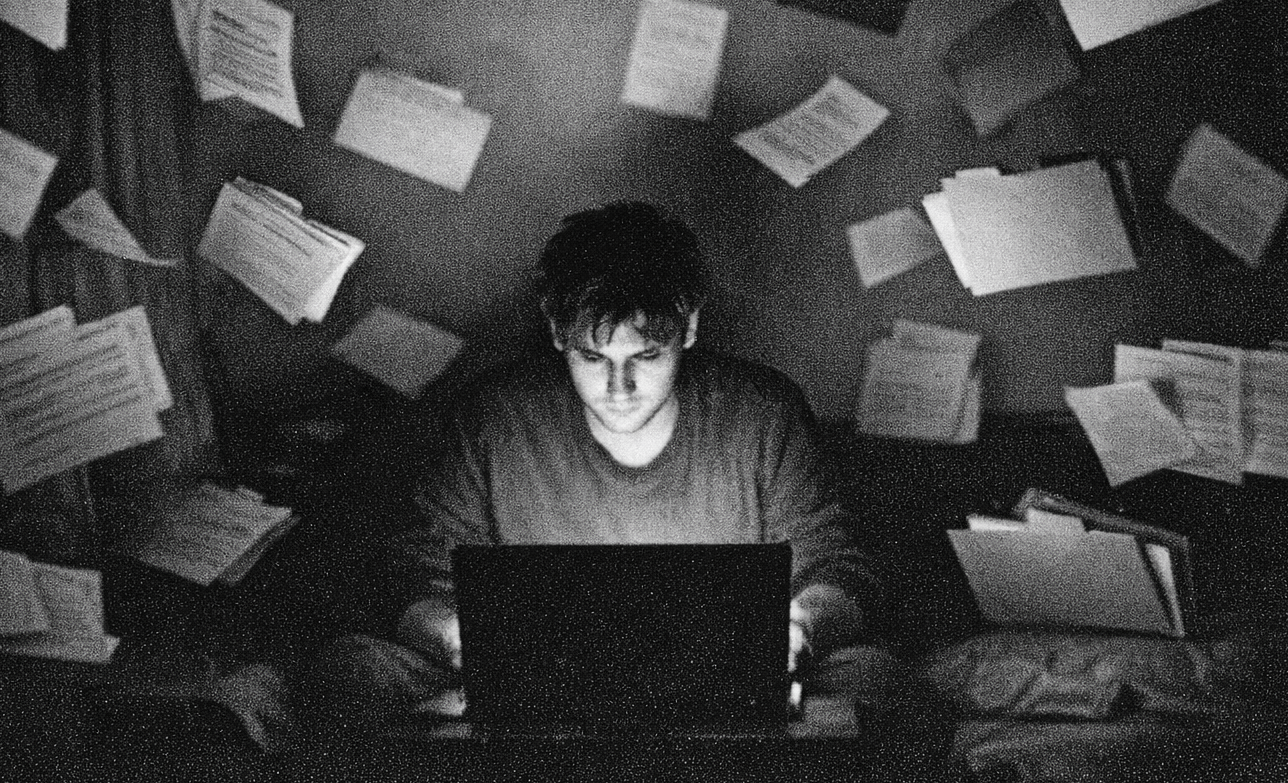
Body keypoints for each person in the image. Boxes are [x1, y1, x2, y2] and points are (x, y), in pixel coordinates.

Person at [301, 200, 894, 735]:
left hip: (728, 688)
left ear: (688, 325)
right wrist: (466, 643)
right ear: (556, 330)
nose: (619, 387)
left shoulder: (761, 412)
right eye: (593, 356)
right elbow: (416, 576)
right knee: (354, 671)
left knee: (875, 679)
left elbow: (836, 566)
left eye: (646, 355)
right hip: (527, 691)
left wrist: (795, 632)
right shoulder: (494, 417)